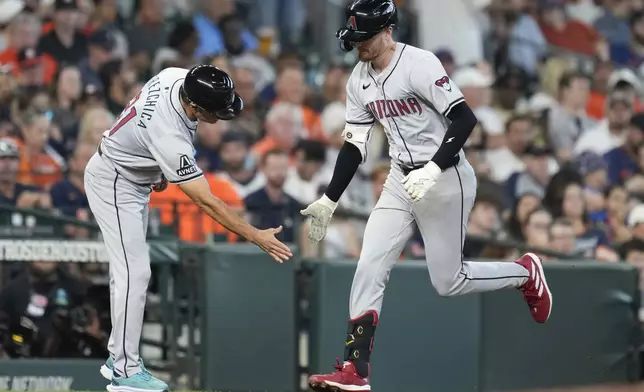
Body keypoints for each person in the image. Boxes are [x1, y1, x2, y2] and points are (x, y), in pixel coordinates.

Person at [301, 2, 553, 391]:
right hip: (399, 178)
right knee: (369, 263)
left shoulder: (419, 64)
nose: (358, 47)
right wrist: (330, 199)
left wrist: (434, 167)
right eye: (354, 39)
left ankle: (523, 273)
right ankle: (355, 369)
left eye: (364, 38)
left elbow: (465, 118)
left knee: (448, 282)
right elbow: (354, 146)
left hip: (445, 176)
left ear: (387, 31)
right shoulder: (358, 79)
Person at [84, 64, 292, 392]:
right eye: (217, 111)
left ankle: (118, 356)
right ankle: (125, 368)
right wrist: (254, 235)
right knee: (134, 273)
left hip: (133, 175)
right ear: (194, 105)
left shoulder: (176, 76)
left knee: (127, 272)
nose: (223, 117)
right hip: (115, 181)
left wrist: (158, 171)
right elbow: (206, 201)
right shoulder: (167, 132)